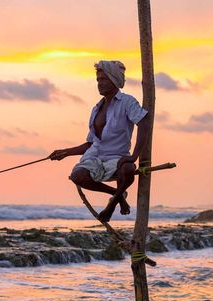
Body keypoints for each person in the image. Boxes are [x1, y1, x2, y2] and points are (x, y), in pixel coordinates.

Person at [49, 61, 149, 222]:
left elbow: (143, 123)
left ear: (114, 79)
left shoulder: (127, 102)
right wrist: (65, 152)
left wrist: (134, 156)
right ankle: (118, 196)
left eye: (103, 79)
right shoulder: (96, 108)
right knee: (77, 176)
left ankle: (111, 205)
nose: (99, 83)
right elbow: (90, 143)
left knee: (129, 168)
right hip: (95, 157)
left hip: (117, 157)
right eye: (98, 80)